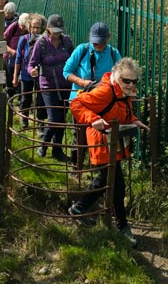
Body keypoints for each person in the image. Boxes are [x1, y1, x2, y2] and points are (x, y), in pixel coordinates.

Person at [68, 57, 150, 246]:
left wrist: (133, 120)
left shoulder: (123, 91)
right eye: (126, 80)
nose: (130, 85)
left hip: (113, 143)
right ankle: (122, 227)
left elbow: (121, 110)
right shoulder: (105, 91)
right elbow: (76, 104)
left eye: (134, 81)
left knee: (105, 180)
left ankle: (79, 210)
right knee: (117, 186)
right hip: (101, 144)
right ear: (116, 77)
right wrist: (92, 118)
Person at [63, 22, 121, 166]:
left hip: (103, 103)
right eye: (94, 42)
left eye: (100, 43)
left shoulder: (114, 54)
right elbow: (66, 72)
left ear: (108, 38)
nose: (97, 45)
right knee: (79, 134)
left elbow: (119, 77)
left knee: (99, 135)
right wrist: (83, 83)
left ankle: (96, 165)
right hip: (81, 100)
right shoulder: (81, 50)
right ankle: (76, 166)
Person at [28, 14, 73, 163]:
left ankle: (57, 150)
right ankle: (44, 144)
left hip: (65, 85)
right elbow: (31, 63)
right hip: (48, 86)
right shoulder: (41, 43)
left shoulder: (67, 41)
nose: (57, 33)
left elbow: (73, 60)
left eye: (59, 30)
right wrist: (32, 71)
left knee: (62, 119)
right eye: (54, 30)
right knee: (54, 119)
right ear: (47, 29)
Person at [12, 13, 48, 131]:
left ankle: (40, 123)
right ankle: (24, 118)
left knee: (40, 99)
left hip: (40, 75)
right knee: (25, 98)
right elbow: (18, 58)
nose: (35, 30)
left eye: (38, 27)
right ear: (29, 27)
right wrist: (15, 76)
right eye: (33, 27)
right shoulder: (24, 39)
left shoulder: (44, 41)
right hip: (25, 74)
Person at [3, 12, 29, 101]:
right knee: (10, 78)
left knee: (21, 77)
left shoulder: (29, 30)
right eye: (22, 26)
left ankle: (21, 99)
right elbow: (3, 41)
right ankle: (10, 98)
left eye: (26, 27)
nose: (24, 29)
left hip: (23, 58)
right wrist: (10, 50)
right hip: (10, 57)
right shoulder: (13, 27)